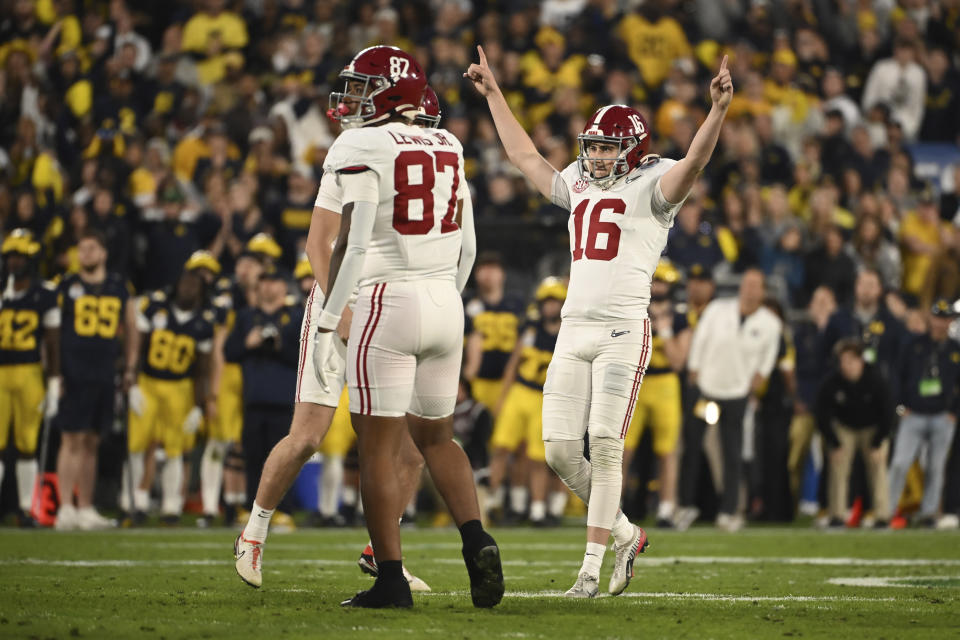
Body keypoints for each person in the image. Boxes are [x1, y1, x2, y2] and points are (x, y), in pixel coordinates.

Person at [466, 46, 733, 597]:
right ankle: (627, 534)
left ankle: (590, 567)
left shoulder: (653, 187)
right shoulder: (582, 184)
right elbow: (526, 158)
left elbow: (696, 162)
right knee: (562, 451)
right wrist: (495, 95)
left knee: (605, 443)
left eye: (608, 147)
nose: (597, 156)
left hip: (622, 330)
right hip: (572, 328)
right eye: (593, 146)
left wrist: (716, 113)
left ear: (634, 151)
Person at [234, 86, 446, 594]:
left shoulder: (442, 172)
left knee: (414, 446)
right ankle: (254, 531)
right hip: (344, 303)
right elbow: (317, 242)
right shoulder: (353, 154)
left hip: (398, 311)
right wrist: (339, 307)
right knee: (309, 435)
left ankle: (383, 552)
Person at [309, 46, 500, 609]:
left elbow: (357, 238)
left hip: (387, 298)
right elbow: (468, 242)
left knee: (377, 450)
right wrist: (447, 298)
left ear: (389, 91)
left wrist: (327, 320)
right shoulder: (449, 142)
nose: (351, 99)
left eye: (362, 87)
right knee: (439, 438)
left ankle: (390, 579)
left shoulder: (360, 143)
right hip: (445, 298)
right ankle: (476, 539)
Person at [678, 268, 782, 532]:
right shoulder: (717, 310)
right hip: (707, 389)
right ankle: (686, 505)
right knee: (692, 446)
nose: (749, 289)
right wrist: (694, 368)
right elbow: (700, 338)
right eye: (746, 283)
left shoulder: (771, 323)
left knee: (732, 452)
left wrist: (755, 383)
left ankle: (728, 510)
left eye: (755, 285)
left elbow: (767, 361)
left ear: (763, 290)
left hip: (736, 394)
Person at [55, 229, 138, 530]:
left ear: (103, 253)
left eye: (91, 248)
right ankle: (65, 506)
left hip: (104, 371)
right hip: (73, 370)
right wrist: (54, 373)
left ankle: (85, 507)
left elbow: (131, 328)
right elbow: (50, 332)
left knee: (92, 439)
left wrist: (129, 367)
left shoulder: (118, 286)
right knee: (71, 437)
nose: (85, 254)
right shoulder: (65, 285)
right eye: (81, 248)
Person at [125, 269, 214, 524]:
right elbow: (136, 348)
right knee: (137, 445)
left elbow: (202, 370)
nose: (187, 288)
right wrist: (131, 382)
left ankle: (171, 506)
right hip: (148, 383)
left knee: (175, 450)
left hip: (180, 388)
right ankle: (134, 502)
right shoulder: (155, 309)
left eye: (193, 285)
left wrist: (198, 406)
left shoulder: (203, 323)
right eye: (184, 282)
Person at [487, 277, 566, 527]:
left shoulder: (568, 334)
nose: (550, 307)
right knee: (501, 448)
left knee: (537, 458)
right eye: (547, 302)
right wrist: (502, 397)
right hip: (520, 392)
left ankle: (538, 510)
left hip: (546, 398)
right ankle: (493, 502)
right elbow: (513, 364)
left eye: (555, 302)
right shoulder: (531, 329)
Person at [0, 230, 60, 527]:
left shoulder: (44, 293)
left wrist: (54, 381)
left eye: (20, 256)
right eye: (11, 256)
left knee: (26, 444)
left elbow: (52, 342)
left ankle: (25, 508)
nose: (14, 262)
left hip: (29, 372)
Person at [623, 260, 688, 528]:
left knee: (667, 451)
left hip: (665, 384)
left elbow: (677, 361)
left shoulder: (679, 317)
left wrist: (665, 328)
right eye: (655, 281)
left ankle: (666, 508)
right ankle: (612, 507)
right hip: (637, 379)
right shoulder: (633, 309)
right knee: (622, 450)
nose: (658, 287)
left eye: (662, 282)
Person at [888, 299, 960, 527]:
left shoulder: (955, 350)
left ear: (951, 321)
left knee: (936, 467)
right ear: (931, 318)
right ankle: (886, 511)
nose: (941, 323)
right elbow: (898, 376)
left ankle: (929, 514)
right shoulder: (913, 344)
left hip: (942, 416)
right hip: (914, 414)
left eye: (946, 318)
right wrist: (900, 408)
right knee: (900, 463)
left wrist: (954, 412)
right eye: (938, 317)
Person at [815, 339, 893, 527]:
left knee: (878, 466)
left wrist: (877, 443)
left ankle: (882, 516)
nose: (846, 366)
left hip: (873, 428)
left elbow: (888, 413)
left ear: (860, 361)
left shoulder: (876, 379)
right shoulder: (831, 382)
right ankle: (837, 515)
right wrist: (834, 443)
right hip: (845, 428)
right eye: (843, 361)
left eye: (850, 361)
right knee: (838, 465)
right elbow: (822, 414)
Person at [462, 252, 526, 412]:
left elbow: (524, 344)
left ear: (502, 274)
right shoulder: (466, 302)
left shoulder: (516, 304)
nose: (488, 273)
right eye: (483, 268)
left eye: (493, 268)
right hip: (474, 381)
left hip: (508, 383)